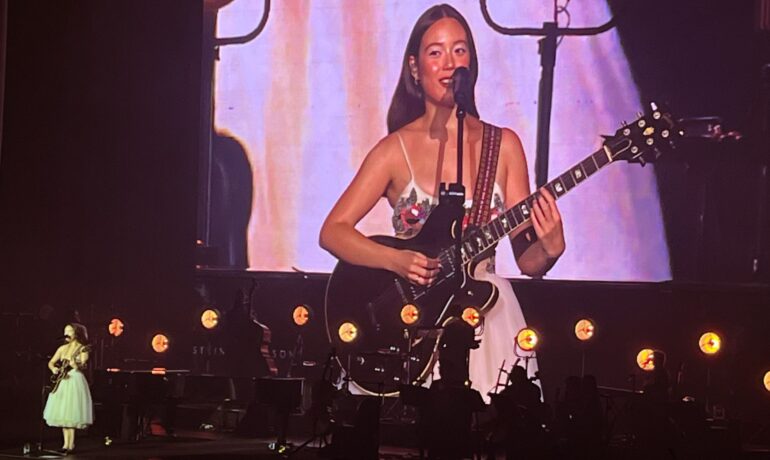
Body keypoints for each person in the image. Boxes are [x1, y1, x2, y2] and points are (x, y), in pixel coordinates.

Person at [319, 3, 565, 400]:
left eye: (460, 50)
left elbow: (527, 260)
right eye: (436, 52)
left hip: (485, 317)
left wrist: (550, 248)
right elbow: (333, 232)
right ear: (415, 68)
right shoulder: (393, 150)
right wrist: (396, 260)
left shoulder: (503, 147)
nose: (449, 63)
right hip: (413, 322)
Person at [44, 323, 93, 453]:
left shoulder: (83, 348)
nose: (66, 333)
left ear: (76, 333)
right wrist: (54, 368)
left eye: (69, 331)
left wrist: (75, 365)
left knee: (71, 413)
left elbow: (84, 366)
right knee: (63, 413)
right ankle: (65, 445)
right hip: (62, 381)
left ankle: (70, 445)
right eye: (65, 330)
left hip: (74, 380)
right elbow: (51, 362)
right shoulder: (62, 348)